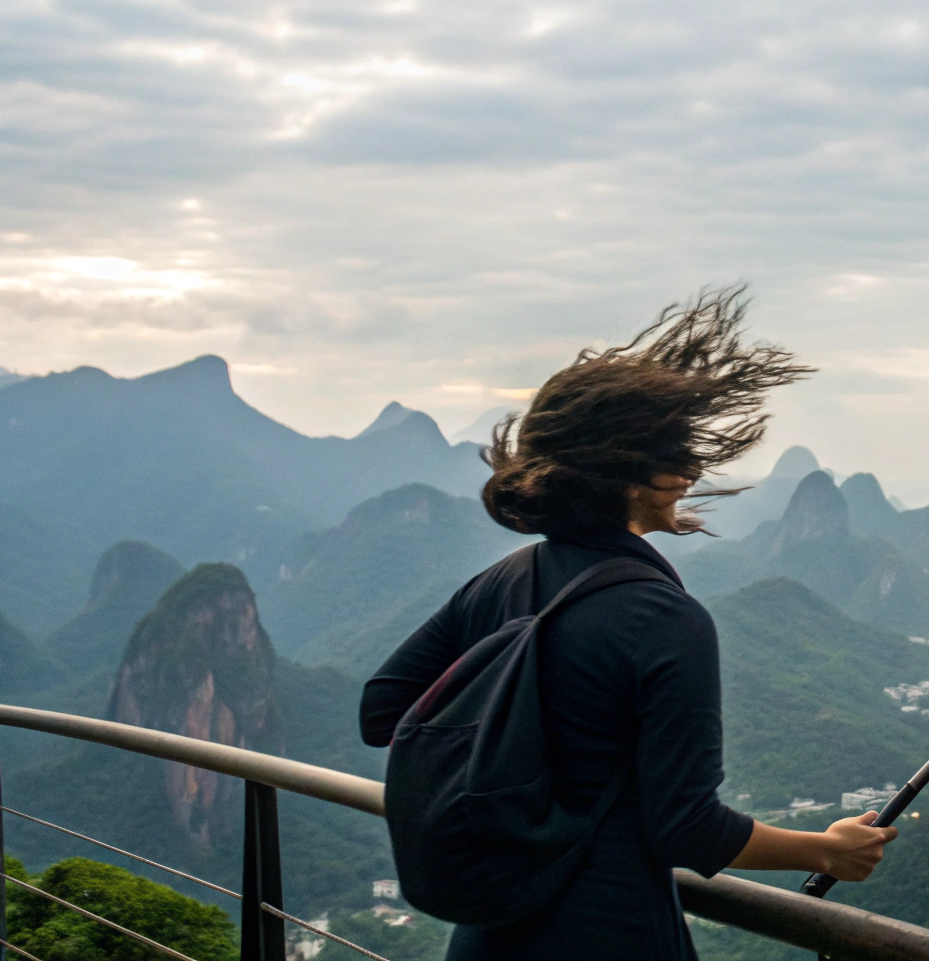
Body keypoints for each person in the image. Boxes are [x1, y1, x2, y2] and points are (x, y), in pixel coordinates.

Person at [359, 287, 897, 960]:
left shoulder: (501, 581)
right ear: (629, 475)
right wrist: (826, 850)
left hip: (490, 935)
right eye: (678, 456)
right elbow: (687, 828)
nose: (694, 472)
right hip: (610, 933)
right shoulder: (666, 619)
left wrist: (516, 764)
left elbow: (382, 713)